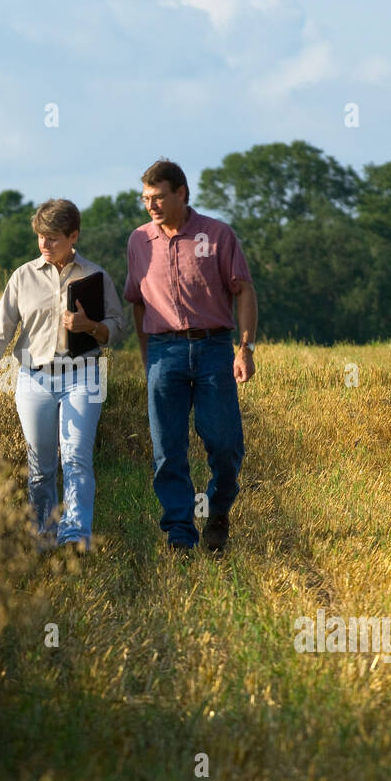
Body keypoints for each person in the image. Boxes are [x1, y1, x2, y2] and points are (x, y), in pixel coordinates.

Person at [0, 198, 127, 552]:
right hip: (33, 379)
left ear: (73, 235)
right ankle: (44, 535)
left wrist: (89, 326)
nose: (44, 245)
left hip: (84, 375)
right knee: (40, 465)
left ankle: (75, 537)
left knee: (76, 457)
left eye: (52, 238)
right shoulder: (22, 276)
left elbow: (118, 328)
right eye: (40, 237)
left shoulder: (95, 275)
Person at [124, 158, 258, 554]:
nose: (152, 205)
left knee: (225, 443)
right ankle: (180, 534)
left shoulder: (216, 234)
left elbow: (244, 290)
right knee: (167, 450)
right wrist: (148, 356)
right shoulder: (138, 241)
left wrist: (245, 348)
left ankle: (218, 512)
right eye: (146, 198)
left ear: (182, 193)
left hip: (214, 348)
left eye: (159, 197)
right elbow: (136, 301)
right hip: (163, 353)